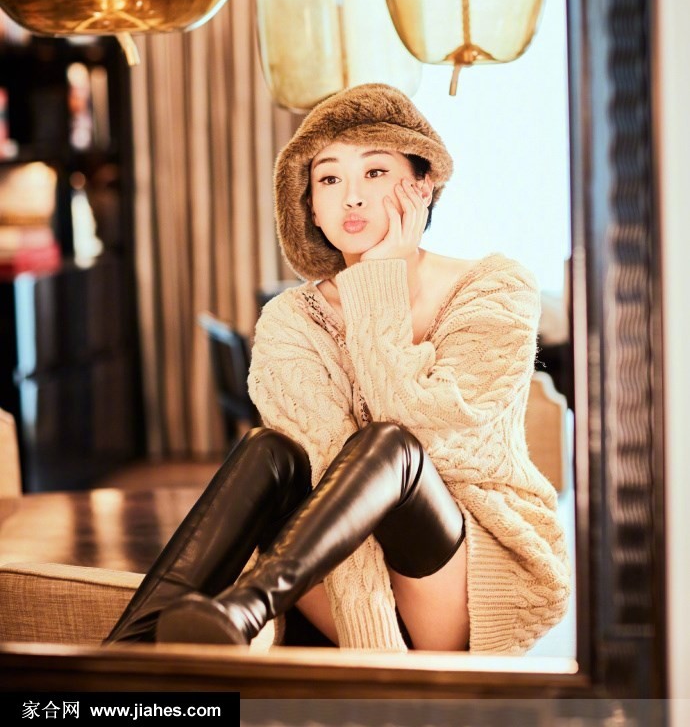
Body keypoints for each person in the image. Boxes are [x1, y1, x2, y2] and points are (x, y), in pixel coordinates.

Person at [105, 83, 570, 653]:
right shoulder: (291, 321)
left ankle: (249, 603)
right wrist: (372, 639)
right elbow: (327, 478)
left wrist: (379, 279)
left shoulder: (496, 286)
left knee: (390, 446)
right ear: (310, 206)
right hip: (342, 586)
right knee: (269, 450)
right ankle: (122, 658)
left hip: (464, 578)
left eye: (375, 172)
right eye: (329, 179)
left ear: (423, 185)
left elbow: (433, 438)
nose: (352, 197)